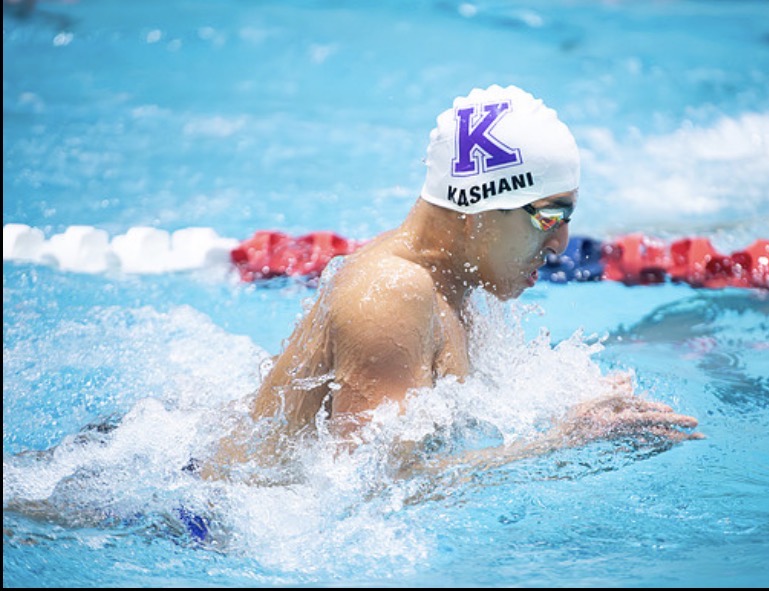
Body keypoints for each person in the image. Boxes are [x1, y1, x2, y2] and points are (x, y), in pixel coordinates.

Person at [201, 85, 701, 482]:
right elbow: (361, 492)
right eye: (549, 216)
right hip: (210, 532)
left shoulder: (451, 281)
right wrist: (563, 444)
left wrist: (567, 406)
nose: (561, 246)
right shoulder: (394, 292)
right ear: (477, 209)